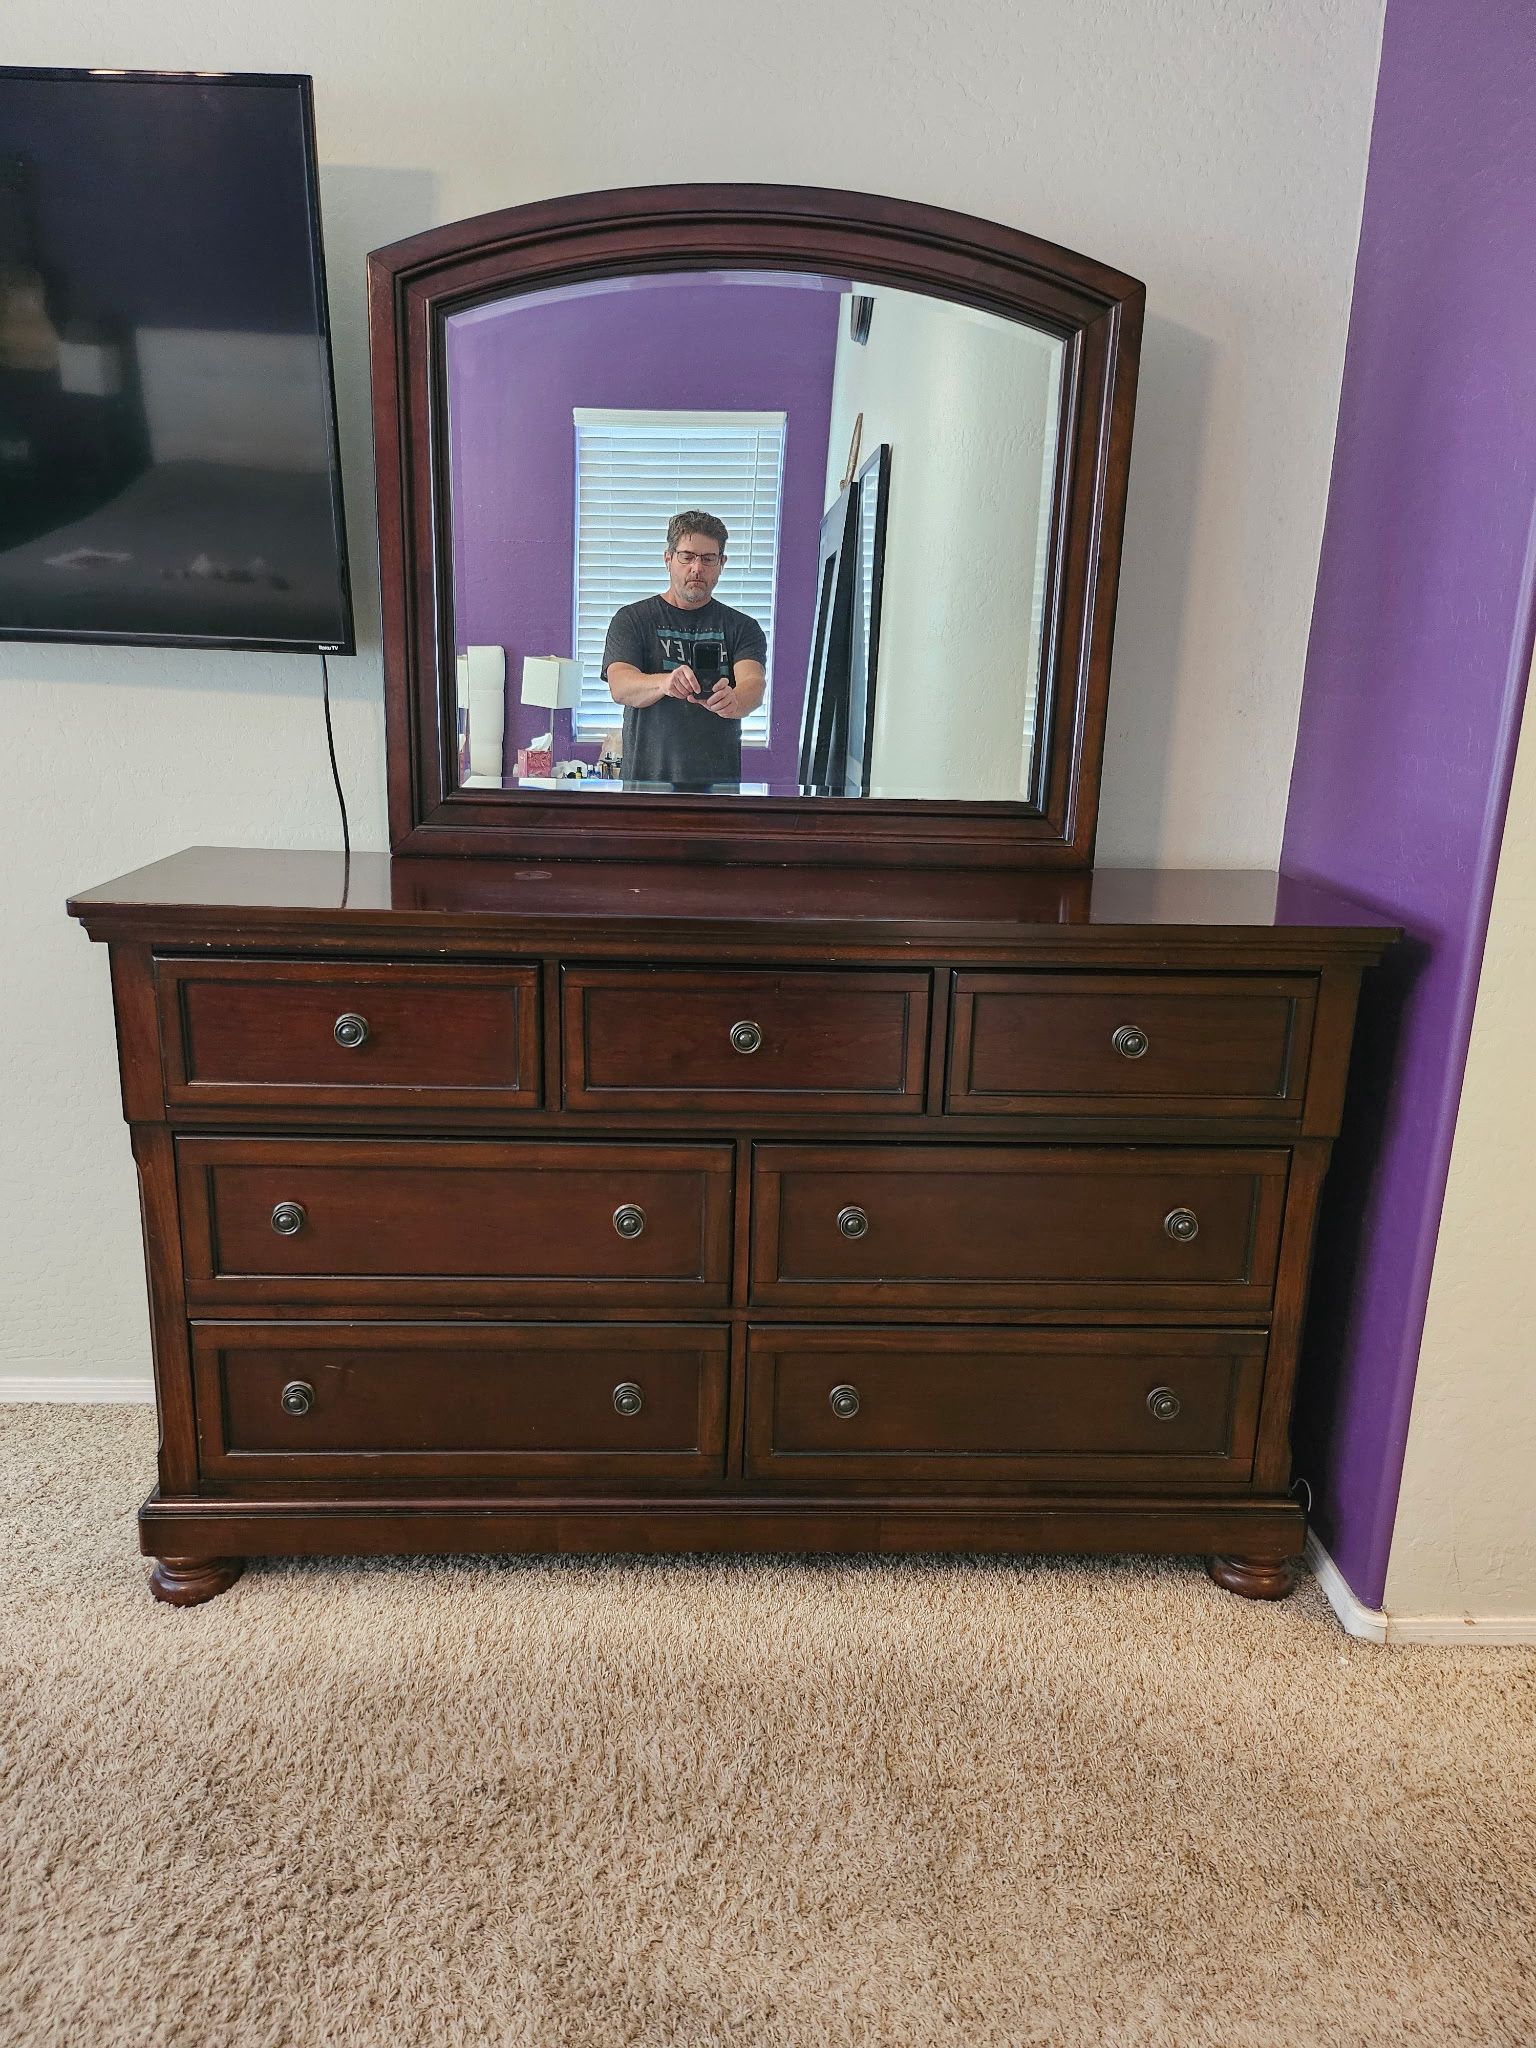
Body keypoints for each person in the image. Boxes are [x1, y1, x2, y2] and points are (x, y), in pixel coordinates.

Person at [601, 511, 768, 787]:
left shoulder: (742, 627)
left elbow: (754, 683)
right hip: (645, 788)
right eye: (687, 557)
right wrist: (665, 682)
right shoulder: (632, 619)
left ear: (721, 563)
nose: (697, 568)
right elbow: (620, 685)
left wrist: (735, 700)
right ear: (668, 559)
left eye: (708, 559)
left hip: (717, 793)